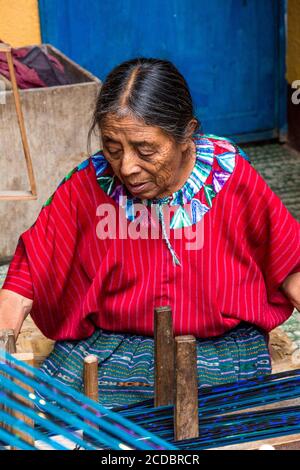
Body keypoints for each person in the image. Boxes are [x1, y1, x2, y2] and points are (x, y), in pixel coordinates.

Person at [1, 58, 300, 409]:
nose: (127, 167)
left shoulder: (230, 176)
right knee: (65, 421)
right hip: (111, 348)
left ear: (186, 134)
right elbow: (23, 282)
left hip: (219, 348)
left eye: (145, 150)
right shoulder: (89, 184)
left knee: (221, 421)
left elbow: (289, 265)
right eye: (113, 149)